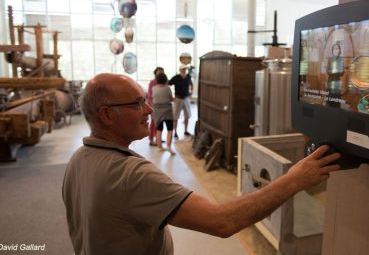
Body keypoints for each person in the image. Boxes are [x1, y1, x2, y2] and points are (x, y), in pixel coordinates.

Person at [62, 73, 340, 255]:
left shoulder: (78, 160)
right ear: (107, 116)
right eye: (137, 104)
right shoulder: (130, 174)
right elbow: (223, 221)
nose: (148, 110)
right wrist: (294, 179)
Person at [152, 73, 175, 155]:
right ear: (165, 79)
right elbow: (171, 99)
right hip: (167, 110)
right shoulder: (168, 88)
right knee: (170, 129)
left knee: (159, 129)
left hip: (157, 111)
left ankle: (159, 147)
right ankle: (168, 146)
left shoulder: (154, 88)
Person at [168, 64, 193, 138]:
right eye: (182, 69)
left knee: (187, 116)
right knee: (175, 117)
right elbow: (168, 84)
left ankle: (185, 130)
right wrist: (170, 96)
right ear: (180, 70)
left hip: (186, 98)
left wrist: (191, 91)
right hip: (178, 99)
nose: (184, 70)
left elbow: (191, 84)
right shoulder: (176, 77)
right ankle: (175, 132)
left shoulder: (188, 76)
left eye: (185, 69)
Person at [148, 67, 165, 146]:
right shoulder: (152, 82)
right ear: (155, 73)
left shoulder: (164, 83)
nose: (160, 73)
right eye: (159, 72)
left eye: (161, 72)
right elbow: (150, 95)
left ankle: (158, 138)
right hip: (154, 106)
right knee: (153, 123)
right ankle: (151, 140)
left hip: (162, 106)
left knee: (160, 123)